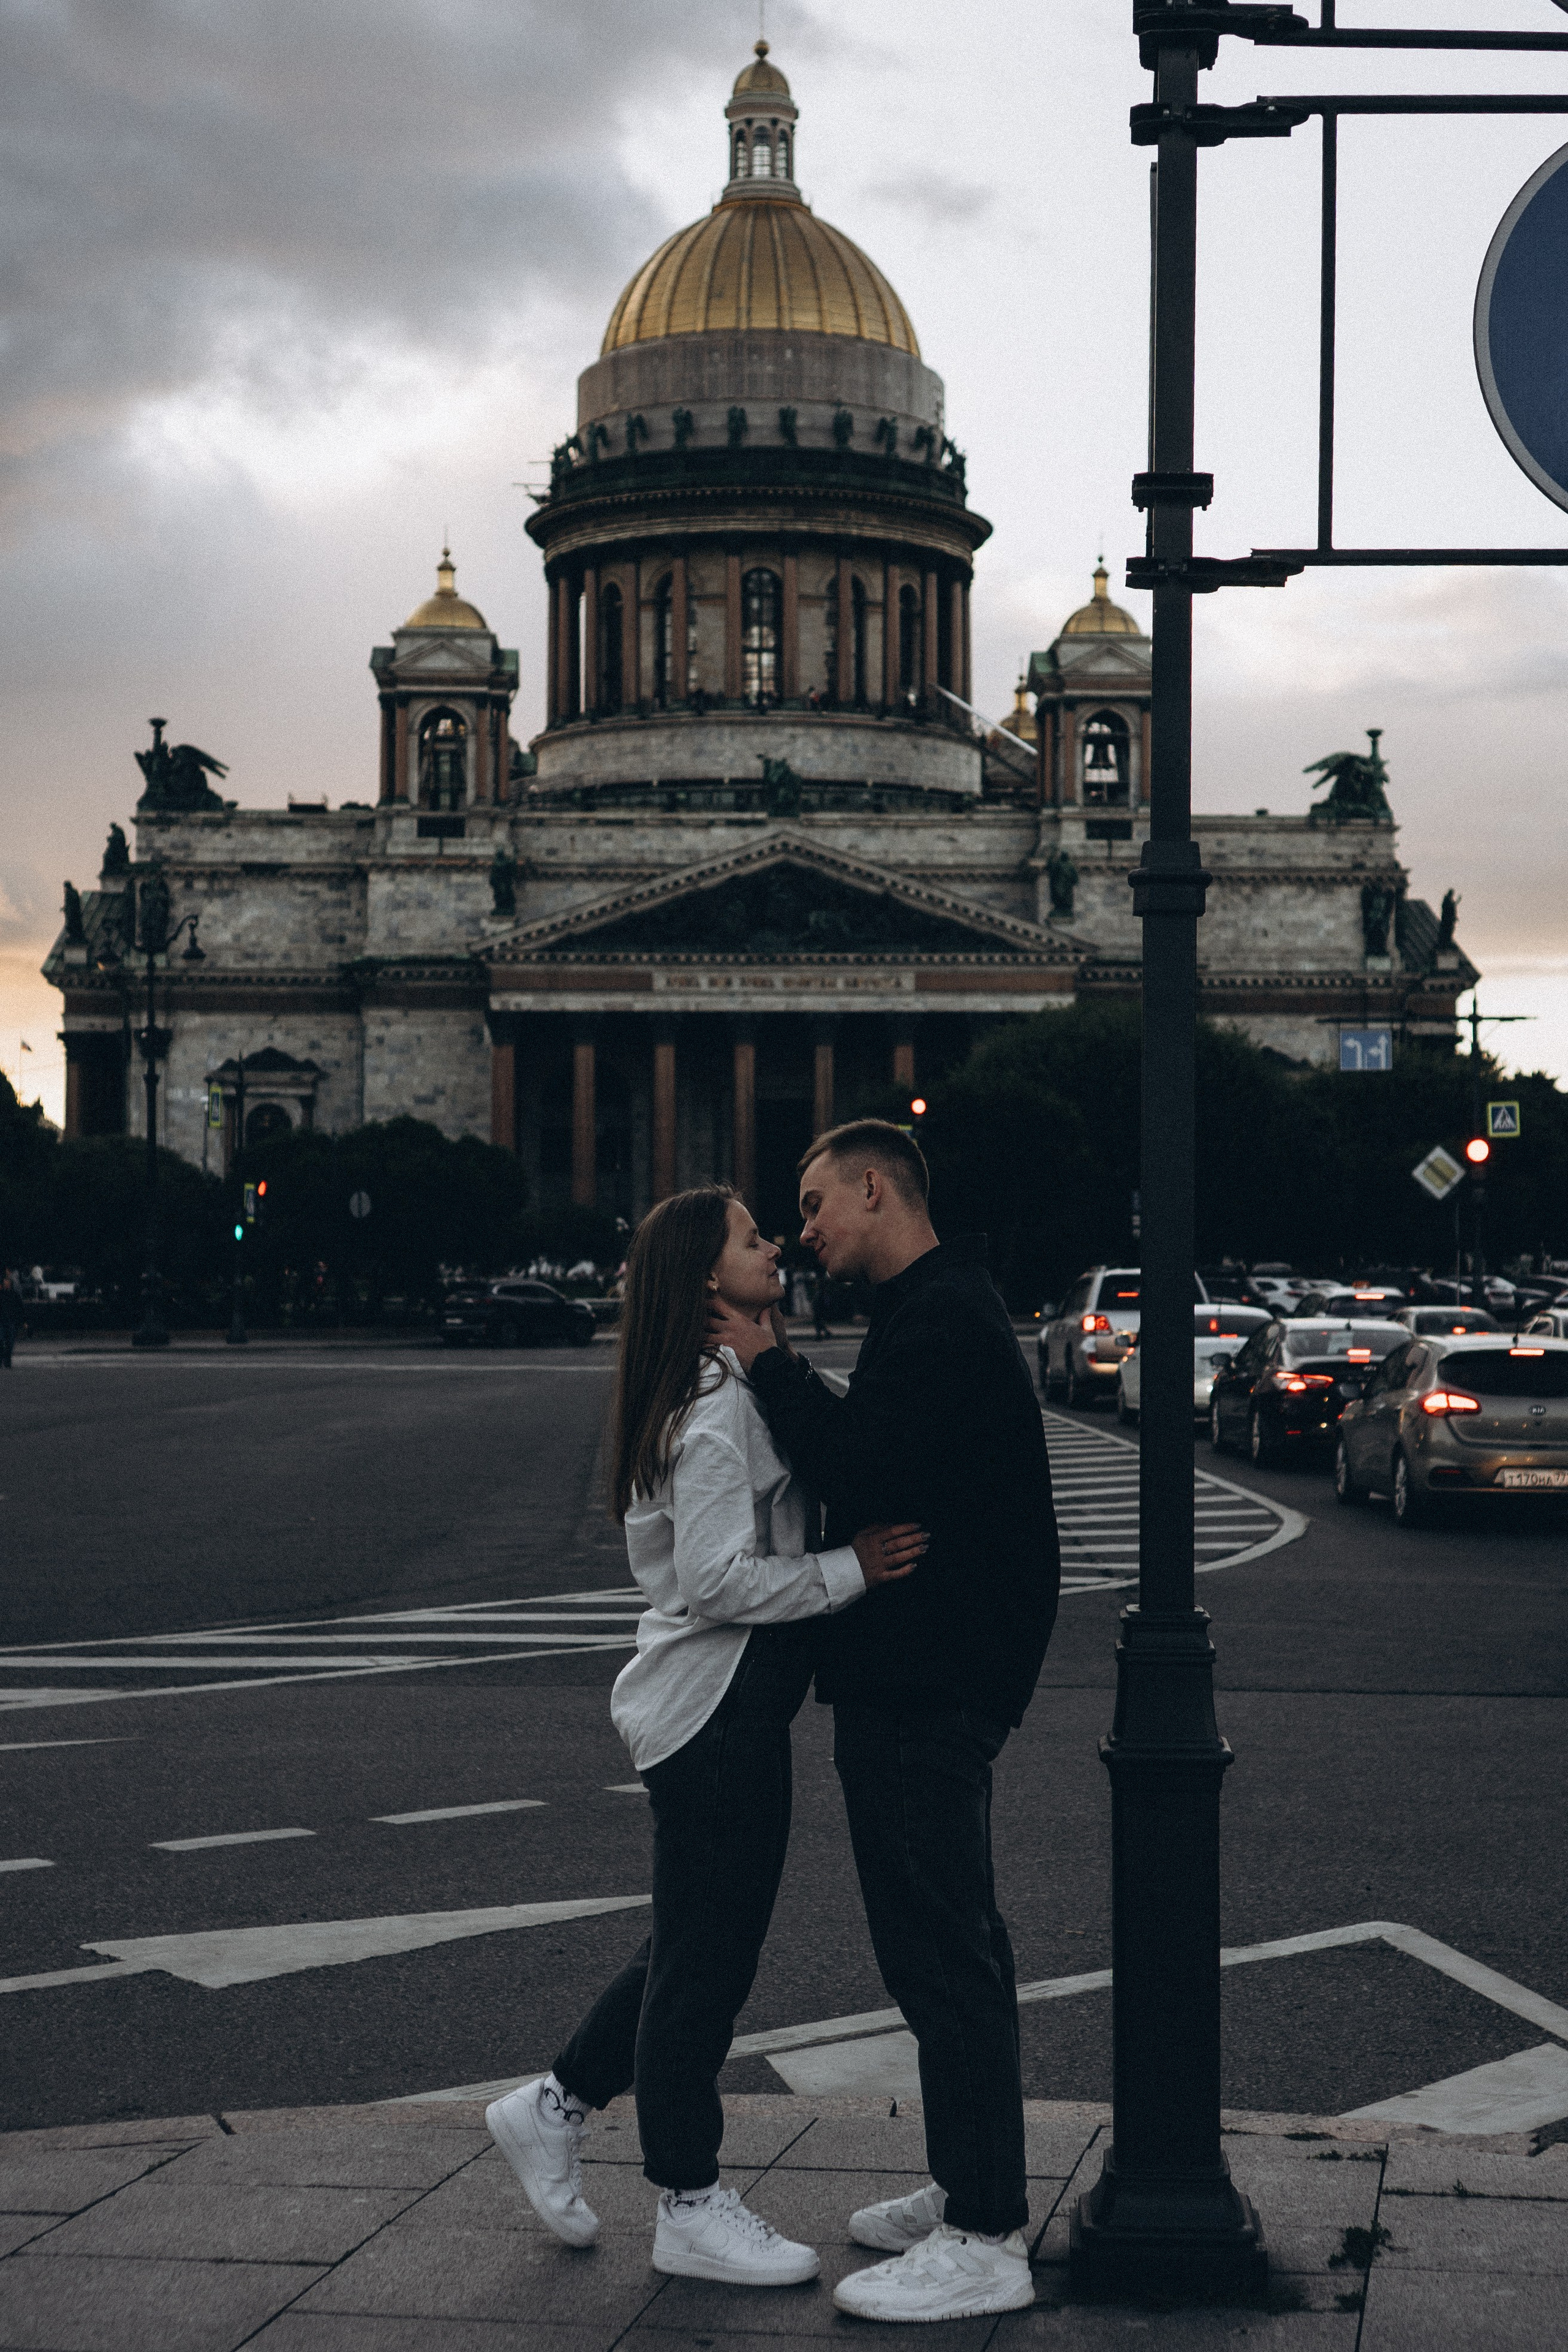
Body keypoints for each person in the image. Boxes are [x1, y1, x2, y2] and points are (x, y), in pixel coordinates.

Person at [486, 1185, 927, 2288]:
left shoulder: (725, 1380)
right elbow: (719, 1578)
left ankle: (553, 2107)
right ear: (703, 1277)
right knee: (708, 1967)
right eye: (749, 1236)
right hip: (717, 1708)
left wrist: (771, 1348)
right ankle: (687, 2199)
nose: (774, 1241)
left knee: (694, 1942)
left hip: (725, 1708)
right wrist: (850, 1572)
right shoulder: (714, 1405)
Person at [709, 1119, 1061, 2325]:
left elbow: (863, 1466)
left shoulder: (942, 1316)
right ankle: (973, 2185)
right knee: (941, 1949)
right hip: (928, 1671)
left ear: (875, 1190)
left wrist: (763, 1361)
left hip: (927, 1680)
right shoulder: (936, 1307)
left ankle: (982, 2235)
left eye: (812, 1205)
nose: (800, 1229)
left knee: (940, 1952)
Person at [0, 1270, 21, 1368]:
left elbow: (19, 1309)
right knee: (2, 1341)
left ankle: (7, 1360)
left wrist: (22, 1320)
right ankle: (4, 1360)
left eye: (7, 1284)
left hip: (10, 1321)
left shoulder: (14, 1295)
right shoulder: (4, 1295)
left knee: (10, 1342)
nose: (6, 1285)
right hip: (4, 1321)